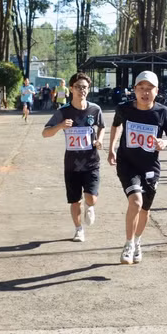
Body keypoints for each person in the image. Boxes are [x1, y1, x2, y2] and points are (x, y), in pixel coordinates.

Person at [108, 71, 167, 264]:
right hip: (127, 163)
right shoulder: (124, 109)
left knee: (145, 209)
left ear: (156, 91)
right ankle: (129, 243)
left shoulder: (163, 112)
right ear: (134, 90)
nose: (145, 92)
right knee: (136, 202)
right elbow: (116, 126)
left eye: (149, 88)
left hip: (150, 166)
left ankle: (138, 241)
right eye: (141, 88)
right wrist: (112, 148)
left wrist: (165, 143)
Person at [42, 73, 105, 242]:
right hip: (72, 165)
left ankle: (90, 206)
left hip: (91, 162)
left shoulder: (95, 109)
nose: (81, 90)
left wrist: (100, 139)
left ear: (88, 89)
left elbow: (102, 127)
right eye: (78, 87)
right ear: (71, 89)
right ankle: (78, 230)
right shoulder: (63, 112)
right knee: (75, 200)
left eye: (84, 87)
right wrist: (61, 126)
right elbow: (45, 133)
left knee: (91, 197)